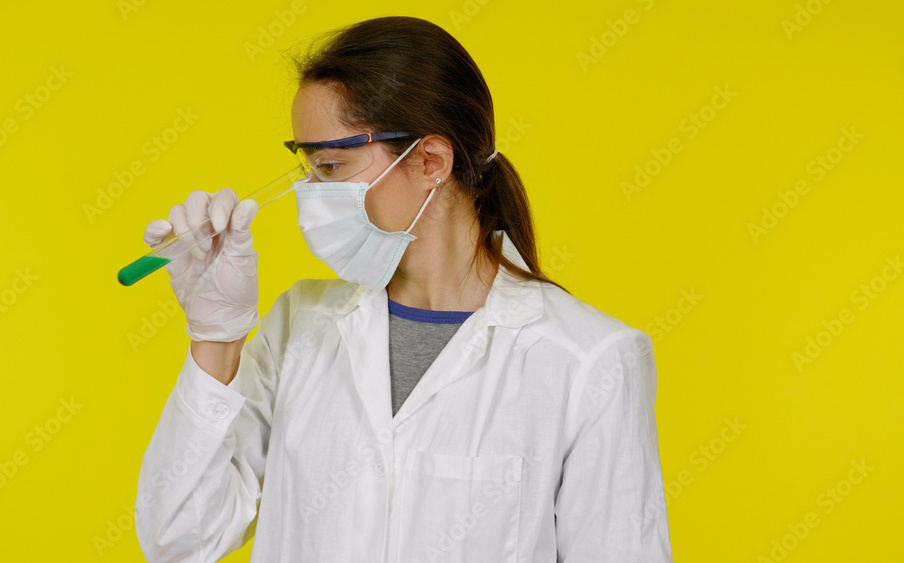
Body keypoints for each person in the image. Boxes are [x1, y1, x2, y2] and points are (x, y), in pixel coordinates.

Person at [134, 15, 672, 563]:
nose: (309, 194)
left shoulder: (589, 362)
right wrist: (216, 334)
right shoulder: (300, 325)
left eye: (330, 166)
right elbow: (178, 540)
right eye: (306, 168)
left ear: (430, 160)